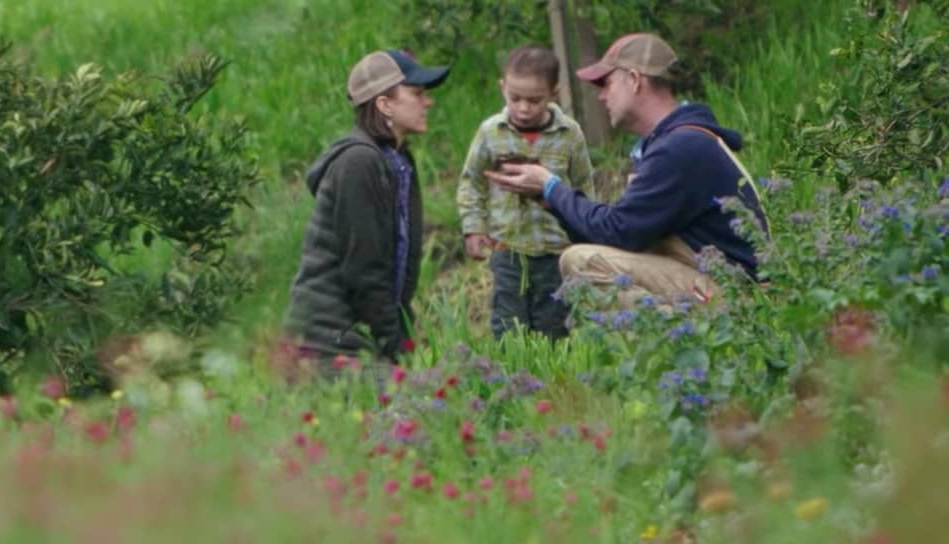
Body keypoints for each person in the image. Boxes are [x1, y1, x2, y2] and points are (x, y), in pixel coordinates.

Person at [484, 32, 768, 306]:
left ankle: (671, 346)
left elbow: (617, 231)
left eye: (606, 84)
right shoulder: (674, 141)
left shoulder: (679, 147)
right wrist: (550, 198)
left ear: (633, 80)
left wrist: (551, 186)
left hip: (737, 295)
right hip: (716, 279)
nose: (601, 97)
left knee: (581, 262)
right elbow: (625, 235)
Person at [283, 49, 449, 373]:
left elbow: (398, 269)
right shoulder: (358, 163)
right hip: (328, 344)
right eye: (416, 93)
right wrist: (395, 346)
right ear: (384, 104)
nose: (427, 102)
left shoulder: (399, 163)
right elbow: (364, 270)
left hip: (363, 338)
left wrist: (401, 336)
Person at [456, 44, 593, 340]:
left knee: (555, 324)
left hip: (555, 251)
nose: (523, 108)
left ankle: (554, 382)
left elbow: (583, 187)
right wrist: (473, 228)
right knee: (508, 323)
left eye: (534, 100)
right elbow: (472, 181)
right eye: (514, 98)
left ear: (554, 94)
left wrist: (586, 236)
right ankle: (511, 379)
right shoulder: (491, 132)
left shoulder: (570, 134)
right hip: (507, 249)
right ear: (502, 88)